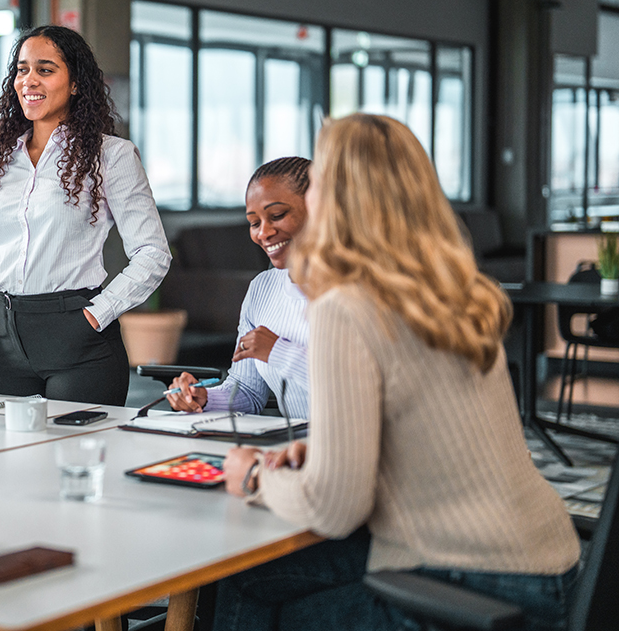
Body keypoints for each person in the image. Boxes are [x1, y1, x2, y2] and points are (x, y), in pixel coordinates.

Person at [215, 114, 580, 631]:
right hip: (550, 566)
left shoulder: (346, 305)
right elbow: (428, 421)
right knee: (255, 580)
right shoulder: (451, 288)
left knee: (241, 582)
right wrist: (324, 450)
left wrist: (252, 475)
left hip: (463, 583)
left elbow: (333, 509)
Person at [0, 25, 171, 406]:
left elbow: (153, 253)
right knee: (9, 462)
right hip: (9, 347)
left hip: (80, 345)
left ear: (75, 84)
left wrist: (97, 315)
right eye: (22, 70)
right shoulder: (1, 161)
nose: (29, 81)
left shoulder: (111, 156)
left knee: (73, 462)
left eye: (45, 69)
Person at [166, 157, 311, 419]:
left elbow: (358, 387)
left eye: (276, 216)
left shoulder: (356, 288)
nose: (263, 233)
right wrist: (204, 398)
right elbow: (247, 390)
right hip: (294, 449)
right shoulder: (262, 289)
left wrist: (278, 351)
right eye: (254, 223)